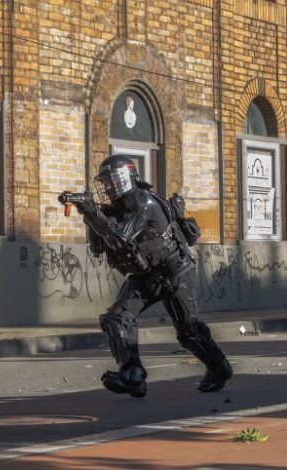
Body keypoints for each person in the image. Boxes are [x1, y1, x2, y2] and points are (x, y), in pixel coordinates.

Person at [60, 154, 232, 398]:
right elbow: (99, 248)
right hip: (146, 275)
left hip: (175, 272)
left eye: (110, 181)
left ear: (124, 177)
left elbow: (119, 238)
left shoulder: (142, 200)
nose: (106, 187)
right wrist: (92, 215)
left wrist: (92, 212)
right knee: (117, 318)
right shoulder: (118, 207)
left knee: (189, 332)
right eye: (104, 182)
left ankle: (219, 369)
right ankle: (133, 376)